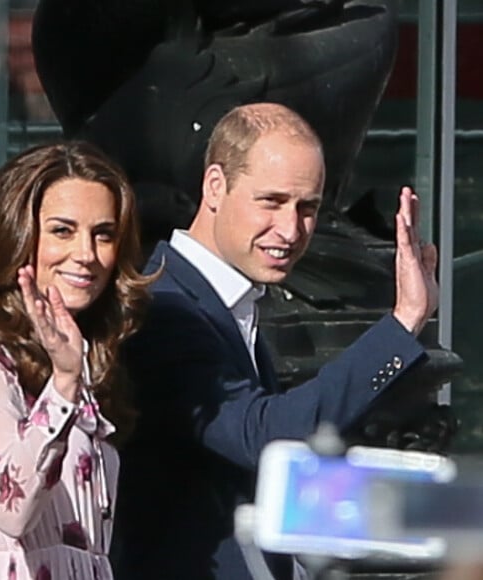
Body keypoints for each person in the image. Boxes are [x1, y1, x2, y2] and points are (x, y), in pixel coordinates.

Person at [111, 103, 439, 580]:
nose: (291, 230)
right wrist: (403, 320)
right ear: (216, 186)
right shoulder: (164, 308)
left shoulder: (224, 304)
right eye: (271, 201)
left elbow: (257, 481)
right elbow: (264, 437)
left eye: (308, 208)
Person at [0, 141, 150, 580]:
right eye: (62, 231)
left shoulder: (86, 361)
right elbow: (8, 508)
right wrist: (64, 385)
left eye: (103, 234)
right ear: (18, 236)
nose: (87, 254)